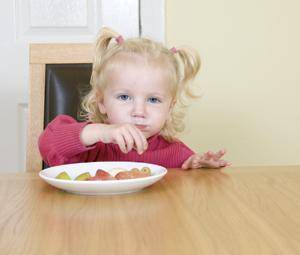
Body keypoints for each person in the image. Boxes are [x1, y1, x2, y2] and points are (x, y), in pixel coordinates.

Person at [39, 27, 230, 169]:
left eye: (153, 100)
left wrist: (196, 165)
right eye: (124, 97)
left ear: (170, 107)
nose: (139, 112)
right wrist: (102, 132)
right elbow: (48, 144)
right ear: (102, 102)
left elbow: (184, 186)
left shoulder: (176, 152)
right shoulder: (93, 148)